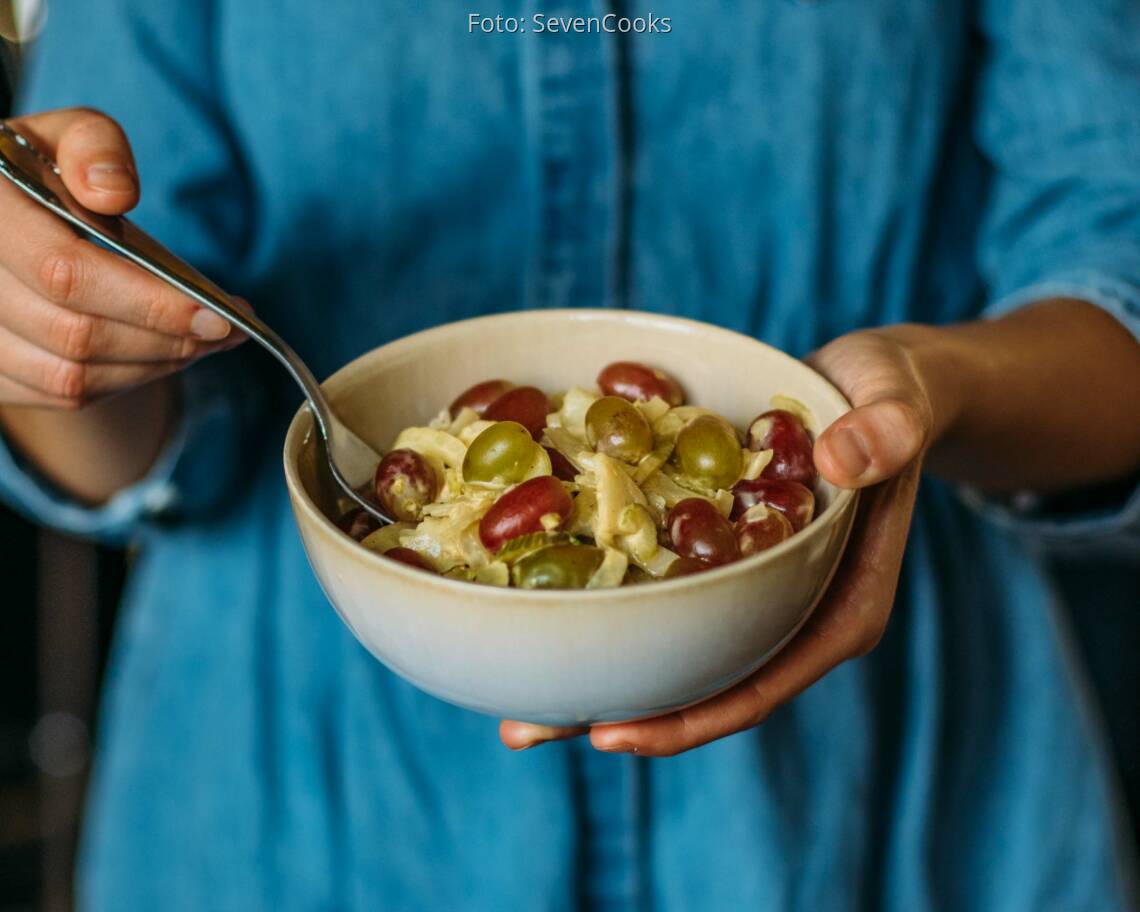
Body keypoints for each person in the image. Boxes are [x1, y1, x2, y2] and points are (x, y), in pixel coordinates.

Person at [1, 2, 1138, 908]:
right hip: (297, 793)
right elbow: (133, 437)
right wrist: (49, 333)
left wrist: (936, 389)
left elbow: (1114, 285)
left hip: (890, 787)